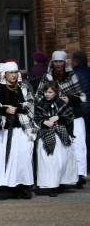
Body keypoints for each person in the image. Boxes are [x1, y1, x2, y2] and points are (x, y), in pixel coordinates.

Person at [0, 62, 36, 198]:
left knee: (21, 158)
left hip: (20, 128)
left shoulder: (23, 88)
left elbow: (30, 103)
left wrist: (19, 108)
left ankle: (21, 186)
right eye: (11, 73)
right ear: (5, 74)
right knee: (2, 158)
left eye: (16, 72)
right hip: (2, 131)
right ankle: (2, 186)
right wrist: (5, 109)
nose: (14, 75)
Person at [37, 51, 87, 186]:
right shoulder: (47, 77)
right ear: (52, 62)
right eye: (56, 61)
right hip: (53, 116)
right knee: (61, 148)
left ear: (65, 62)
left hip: (73, 114)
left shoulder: (72, 76)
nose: (58, 64)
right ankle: (61, 176)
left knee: (78, 145)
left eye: (61, 61)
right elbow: (39, 97)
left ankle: (79, 174)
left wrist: (69, 99)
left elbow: (82, 96)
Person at [34, 80, 77, 196]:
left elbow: (69, 116)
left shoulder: (61, 103)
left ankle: (61, 182)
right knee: (48, 162)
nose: (47, 94)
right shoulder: (41, 104)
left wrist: (58, 117)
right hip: (46, 136)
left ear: (56, 93)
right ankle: (51, 185)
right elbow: (36, 118)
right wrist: (44, 122)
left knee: (61, 161)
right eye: (45, 92)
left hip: (60, 136)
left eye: (50, 92)